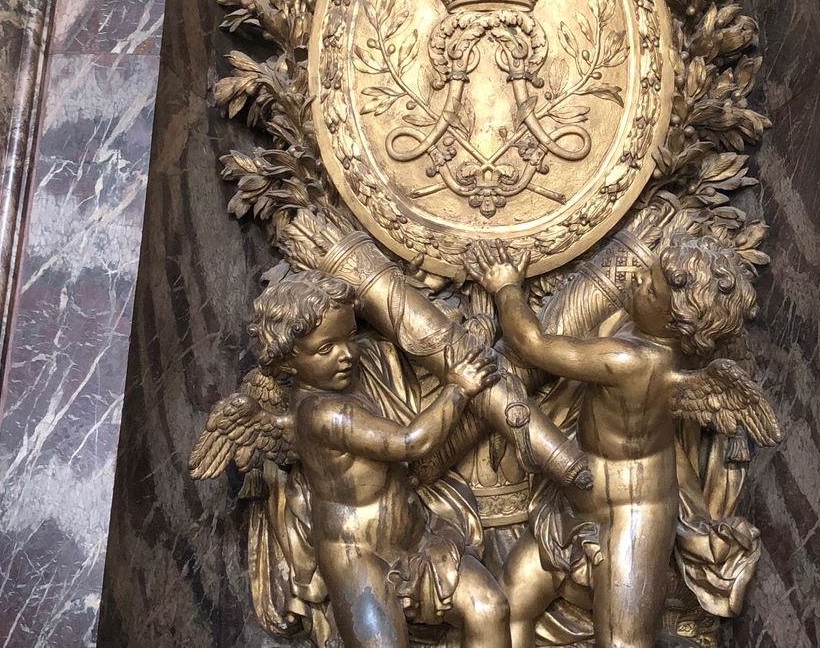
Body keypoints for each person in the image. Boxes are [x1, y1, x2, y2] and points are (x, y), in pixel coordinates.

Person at [466, 235, 778, 648]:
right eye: (646, 275)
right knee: (511, 604)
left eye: (650, 290)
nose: (636, 281)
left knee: (622, 641)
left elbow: (533, 344)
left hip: (633, 522)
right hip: (576, 504)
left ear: (675, 322)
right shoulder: (644, 340)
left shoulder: (634, 361)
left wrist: (506, 286)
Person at [258, 271, 513, 648]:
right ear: (287, 363)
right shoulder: (320, 414)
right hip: (358, 558)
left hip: (415, 537)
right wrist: (459, 389)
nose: (347, 354)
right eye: (326, 349)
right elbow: (409, 443)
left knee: (489, 607)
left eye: (349, 336)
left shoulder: (359, 374)